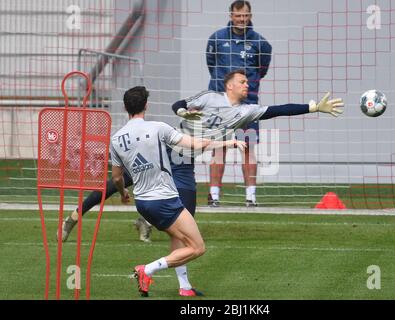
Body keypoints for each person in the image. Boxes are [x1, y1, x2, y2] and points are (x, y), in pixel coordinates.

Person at [58, 70, 343, 294]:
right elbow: (178, 104)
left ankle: (182, 284)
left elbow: (278, 109)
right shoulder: (209, 97)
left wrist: (314, 106)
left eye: (247, 82)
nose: (247, 85)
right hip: (167, 150)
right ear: (229, 85)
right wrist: (184, 113)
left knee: (183, 216)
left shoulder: (245, 112)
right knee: (118, 183)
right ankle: (74, 216)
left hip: (184, 162)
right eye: (242, 81)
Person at [110, 86, 245, 297]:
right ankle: (147, 269)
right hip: (164, 199)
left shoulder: (116, 138)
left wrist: (122, 193)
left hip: (143, 203)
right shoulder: (158, 128)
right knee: (197, 247)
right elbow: (196, 143)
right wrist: (230, 141)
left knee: (180, 240)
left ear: (125, 107)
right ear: (146, 105)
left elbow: (117, 177)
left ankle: (184, 287)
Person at [206, 0, 272, 207]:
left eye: (245, 16)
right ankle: (214, 196)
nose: (242, 19)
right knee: (218, 148)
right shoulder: (216, 39)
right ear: (231, 15)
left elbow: (262, 71)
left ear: (250, 16)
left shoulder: (261, 44)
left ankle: (251, 197)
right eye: (238, 15)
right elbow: (211, 64)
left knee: (248, 149)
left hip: (248, 106)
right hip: (220, 106)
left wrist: (243, 91)